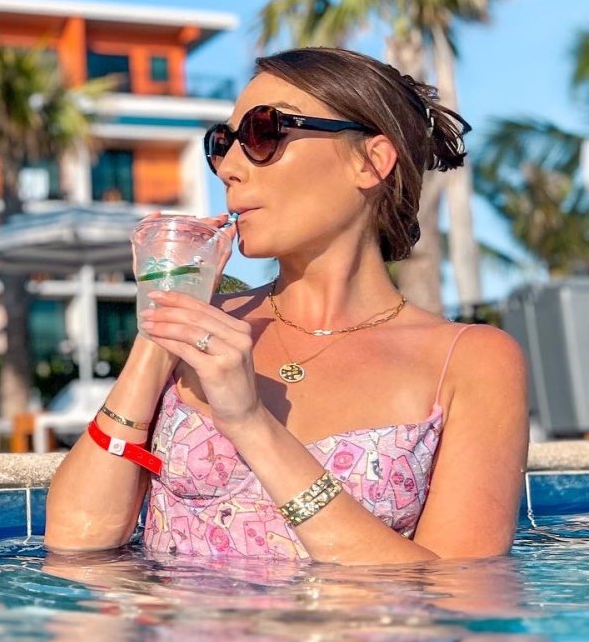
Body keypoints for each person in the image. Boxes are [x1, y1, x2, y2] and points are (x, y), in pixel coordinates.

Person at [45, 47, 528, 564]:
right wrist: (161, 327)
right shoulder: (205, 324)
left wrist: (250, 422)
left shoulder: (471, 361)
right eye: (222, 143)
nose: (228, 167)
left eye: (262, 132)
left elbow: (457, 592)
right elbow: (76, 543)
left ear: (370, 161)